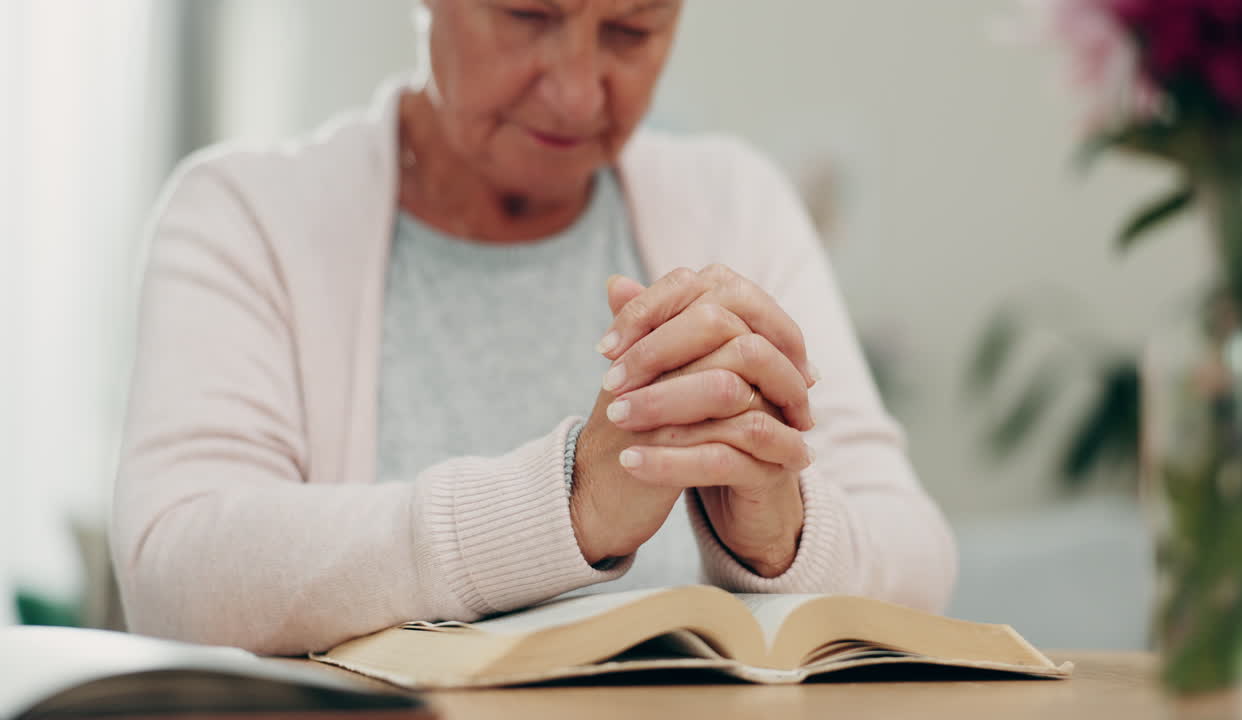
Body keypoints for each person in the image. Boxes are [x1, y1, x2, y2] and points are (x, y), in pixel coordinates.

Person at [111, 0, 956, 656]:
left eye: (631, 30)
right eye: (526, 15)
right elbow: (177, 580)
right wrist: (567, 506)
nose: (578, 91)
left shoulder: (738, 204)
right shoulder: (244, 216)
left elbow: (921, 560)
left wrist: (782, 529)